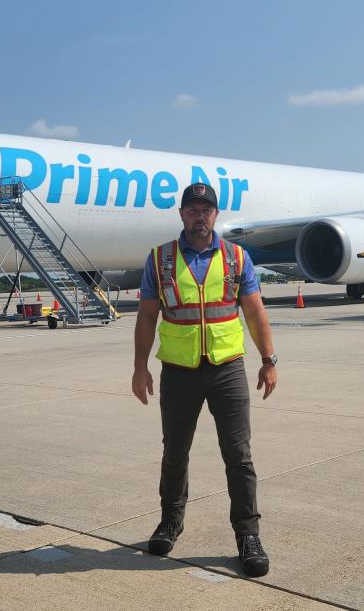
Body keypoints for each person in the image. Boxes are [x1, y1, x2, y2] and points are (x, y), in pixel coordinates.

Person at [131, 182, 278, 578]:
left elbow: (254, 312)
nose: (200, 216)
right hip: (178, 372)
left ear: (216, 215)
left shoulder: (236, 258)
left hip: (227, 369)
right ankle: (170, 521)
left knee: (238, 455)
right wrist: (140, 366)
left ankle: (248, 535)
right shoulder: (160, 260)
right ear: (182, 214)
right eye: (193, 209)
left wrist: (268, 359)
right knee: (174, 452)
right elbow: (147, 316)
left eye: (206, 210)